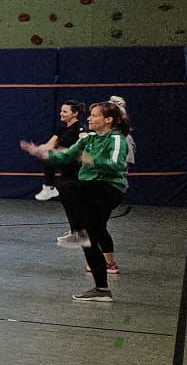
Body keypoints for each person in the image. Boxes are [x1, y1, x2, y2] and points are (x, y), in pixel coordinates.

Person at [23, 100, 129, 301]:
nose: (89, 118)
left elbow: (117, 164)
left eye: (95, 115)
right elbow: (67, 156)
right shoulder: (88, 139)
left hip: (107, 188)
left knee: (70, 187)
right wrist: (42, 153)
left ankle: (75, 229)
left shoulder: (116, 139)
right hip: (90, 190)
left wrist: (92, 160)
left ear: (108, 120)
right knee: (89, 239)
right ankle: (101, 289)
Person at [33, 100, 86, 203]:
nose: (61, 114)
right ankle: (50, 188)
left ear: (75, 113)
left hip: (77, 163)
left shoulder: (80, 127)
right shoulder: (62, 128)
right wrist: (36, 149)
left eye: (65, 111)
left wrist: (72, 150)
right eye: (61, 111)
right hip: (66, 161)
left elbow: (85, 140)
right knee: (46, 156)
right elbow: (49, 145)